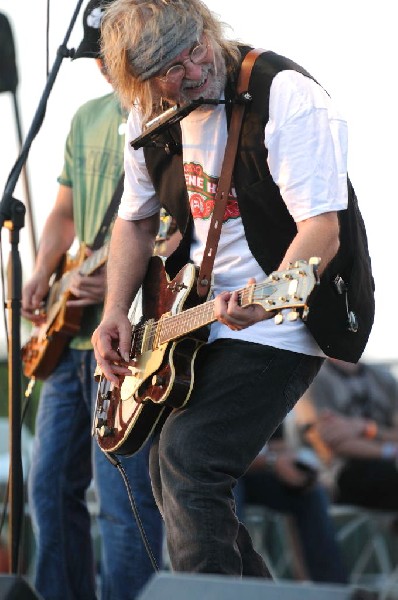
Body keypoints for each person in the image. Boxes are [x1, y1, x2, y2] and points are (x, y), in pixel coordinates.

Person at [91, 0, 372, 579]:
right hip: (192, 319)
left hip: (283, 317)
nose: (192, 71)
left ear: (207, 28)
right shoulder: (147, 118)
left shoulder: (284, 93)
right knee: (169, 477)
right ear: (137, 82)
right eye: (171, 68)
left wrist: (265, 298)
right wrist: (116, 310)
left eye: (196, 48)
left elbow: (322, 229)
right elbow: (135, 220)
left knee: (191, 457)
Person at [21, 1, 162, 598]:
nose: (105, 67)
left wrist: (119, 283)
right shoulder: (85, 117)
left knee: (123, 502)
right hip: (68, 335)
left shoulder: (170, 115)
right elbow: (62, 211)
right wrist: (41, 269)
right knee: (47, 488)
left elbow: (182, 224)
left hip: (131, 337)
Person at [238, 424, 348, 584]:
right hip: (213, 473)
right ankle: (233, 584)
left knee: (311, 493)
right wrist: (272, 461)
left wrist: (299, 468)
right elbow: (211, 452)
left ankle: (329, 587)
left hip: (254, 472)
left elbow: (279, 446)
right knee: (226, 488)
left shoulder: (264, 399)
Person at [301, 358, 398, 510]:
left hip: (387, 465)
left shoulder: (383, 377)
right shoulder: (316, 380)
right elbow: (334, 442)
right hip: (341, 474)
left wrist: (364, 428)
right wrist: (390, 449)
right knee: (379, 473)